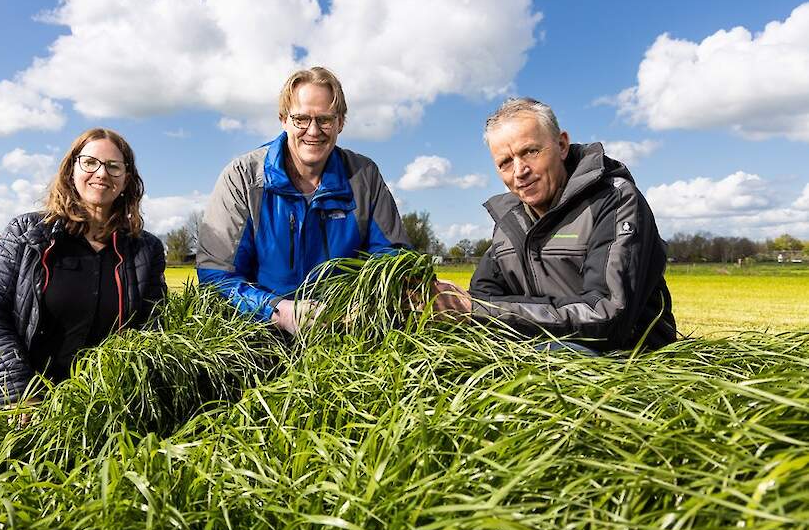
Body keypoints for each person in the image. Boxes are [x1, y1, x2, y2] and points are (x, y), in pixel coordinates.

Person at [0, 128, 167, 410]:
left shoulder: (145, 250)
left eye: (114, 166)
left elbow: (151, 328)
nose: (101, 173)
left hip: (94, 406)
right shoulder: (26, 233)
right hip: (8, 393)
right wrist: (17, 391)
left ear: (127, 180)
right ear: (71, 170)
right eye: (90, 162)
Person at [437, 97, 675, 352]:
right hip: (543, 351)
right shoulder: (508, 222)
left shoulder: (613, 200)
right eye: (505, 162)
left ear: (561, 145)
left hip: (626, 358)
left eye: (530, 151)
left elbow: (607, 316)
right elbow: (484, 297)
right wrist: (446, 301)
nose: (519, 171)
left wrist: (478, 310)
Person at [197, 66, 409, 333]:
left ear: (341, 122)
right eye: (301, 119)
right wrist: (278, 311)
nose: (313, 131)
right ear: (283, 120)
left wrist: (363, 306)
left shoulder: (363, 176)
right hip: (259, 335)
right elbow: (217, 275)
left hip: (344, 332)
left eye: (325, 119)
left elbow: (392, 256)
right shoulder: (243, 177)